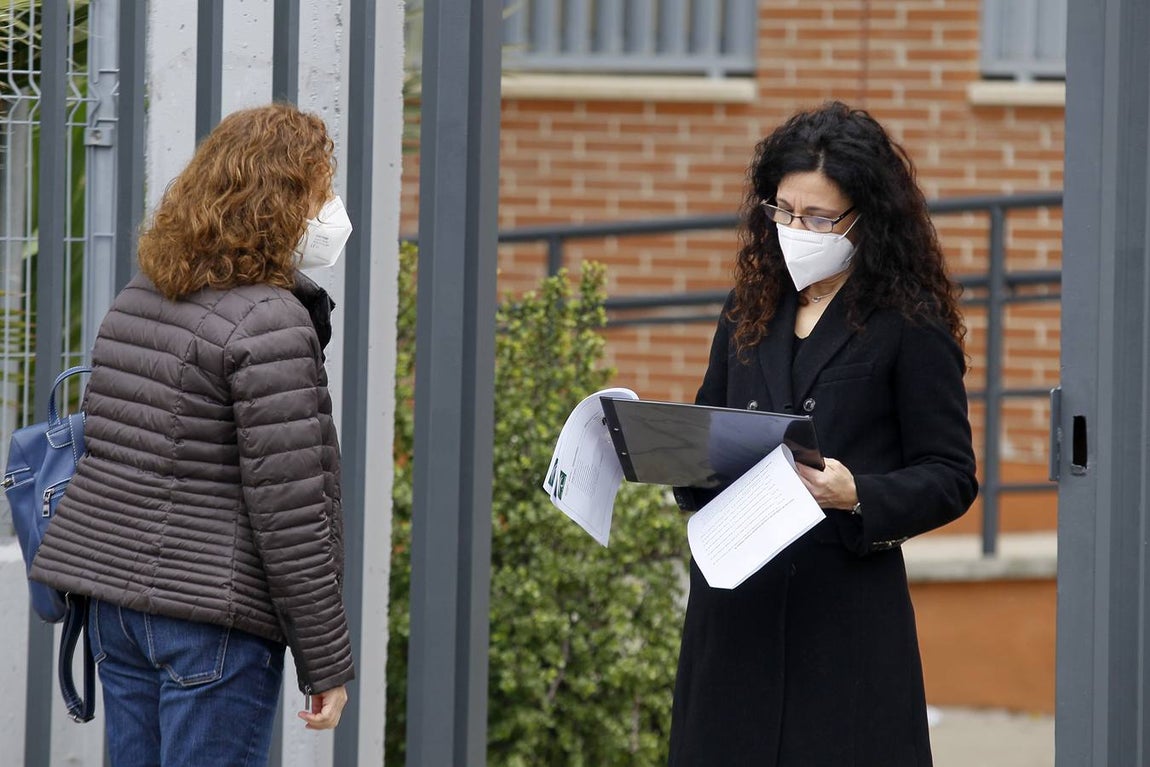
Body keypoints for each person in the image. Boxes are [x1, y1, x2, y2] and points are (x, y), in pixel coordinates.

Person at [30, 103, 355, 766]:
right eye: (320, 190)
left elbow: (107, 449)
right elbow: (292, 513)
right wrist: (325, 662)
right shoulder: (269, 322)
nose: (330, 210)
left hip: (117, 609)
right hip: (212, 622)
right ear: (280, 202)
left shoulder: (142, 295)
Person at [667, 101, 978, 766]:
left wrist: (857, 491)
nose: (794, 230)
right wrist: (663, 454)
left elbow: (951, 474)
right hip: (734, 618)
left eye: (816, 218)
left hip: (842, 627)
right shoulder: (749, 305)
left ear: (866, 219)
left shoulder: (908, 323)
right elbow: (708, 431)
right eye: (781, 211)